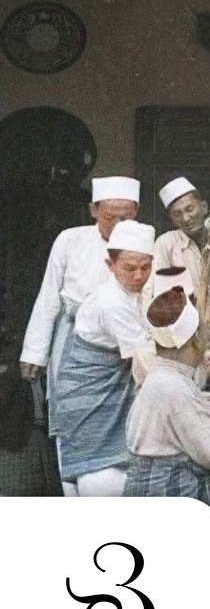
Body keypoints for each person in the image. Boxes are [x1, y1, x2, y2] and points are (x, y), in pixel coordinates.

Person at [20, 176, 140, 490]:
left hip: (123, 350)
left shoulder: (141, 244)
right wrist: (35, 352)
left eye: (126, 216)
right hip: (72, 346)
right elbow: (49, 297)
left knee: (119, 423)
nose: (118, 223)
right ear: (92, 210)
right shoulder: (69, 240)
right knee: (71, 417)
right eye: (110, 216)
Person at [49, 220, 155, 497]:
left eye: (145, 267)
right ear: (110, 265)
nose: (138, 275)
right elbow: (147, 365)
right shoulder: (111, 303)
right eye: (130, 268)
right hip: (93, 398)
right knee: (99, 472)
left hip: (108, 391)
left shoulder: (134, 293)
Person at [122, 284, 210, 507]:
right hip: (169, 494)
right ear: (195, 338)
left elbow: (199, 412)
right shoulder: (172, 387)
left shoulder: (160, 376)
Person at [154, 177, 210, 307]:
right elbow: (158, 291)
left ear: (204, 207)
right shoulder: (166, 243)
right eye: (177, 214)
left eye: (190, 209)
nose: (185, 218)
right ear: (171, 219)